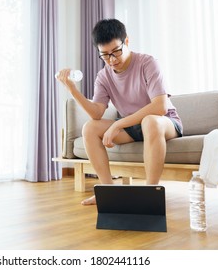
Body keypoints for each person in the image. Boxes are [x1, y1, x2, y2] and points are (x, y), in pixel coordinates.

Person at [56, 19, 183, 205]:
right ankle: (107, 193)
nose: (112, 60)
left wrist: (118, 123)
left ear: (127, 41)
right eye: (105, 55)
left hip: (164, 122)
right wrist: (73, 90)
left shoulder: (147, 63)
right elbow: (97, 114)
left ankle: (151, 194)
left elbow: (159, 107)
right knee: (90, 128)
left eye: (116, 51)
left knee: (150, 121)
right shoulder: (103, 76)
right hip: (133, 127)